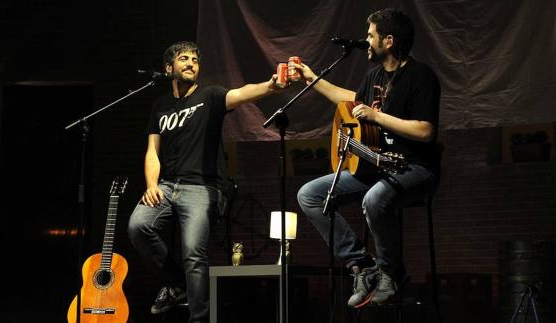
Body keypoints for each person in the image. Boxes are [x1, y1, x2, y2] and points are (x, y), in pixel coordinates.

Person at [295, 8, 441, 308]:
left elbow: (425, 131)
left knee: (374, 200)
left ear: (388, 41)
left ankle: (391, 274)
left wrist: (377, 116)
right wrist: (311, 79)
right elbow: (350, 101)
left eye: (371, 35)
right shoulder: (374, 75)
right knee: (309, 195)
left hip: (415, 168)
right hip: (376, 167)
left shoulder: (421, 76)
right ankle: (362, 264)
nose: (366, 40)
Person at [127, 41, 283, 322]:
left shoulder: (209, 96)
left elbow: (241, 94)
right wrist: (151, 185)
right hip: (166, 185)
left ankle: (199, 318)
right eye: (184, 59)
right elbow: (152, 151)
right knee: (138, 226)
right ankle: (177, 285)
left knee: (192, 252)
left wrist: (270, 86)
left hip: (202, 186)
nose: (190, 63)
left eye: (195, 60)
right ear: (168, 68)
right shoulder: (160, 106)